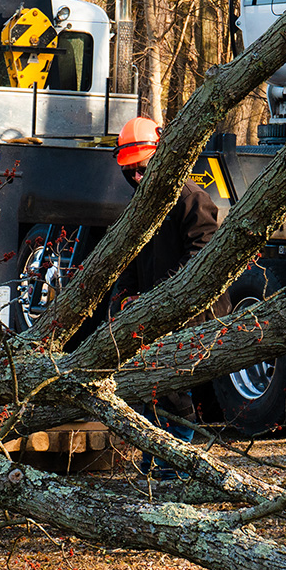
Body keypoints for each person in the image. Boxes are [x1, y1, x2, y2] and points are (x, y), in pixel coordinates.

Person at [110, 116, 230, 480]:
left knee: (173, 393)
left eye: (142, 170)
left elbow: (203, 257)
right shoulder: (139, 207)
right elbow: (127, 262)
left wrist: (162, 296)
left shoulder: (192, 199)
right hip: (153, 314)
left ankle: (171, 468)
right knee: (151, 392)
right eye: (130, 172)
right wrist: (125, 300)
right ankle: (155, 460)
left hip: (191, 315)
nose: (136, 178)